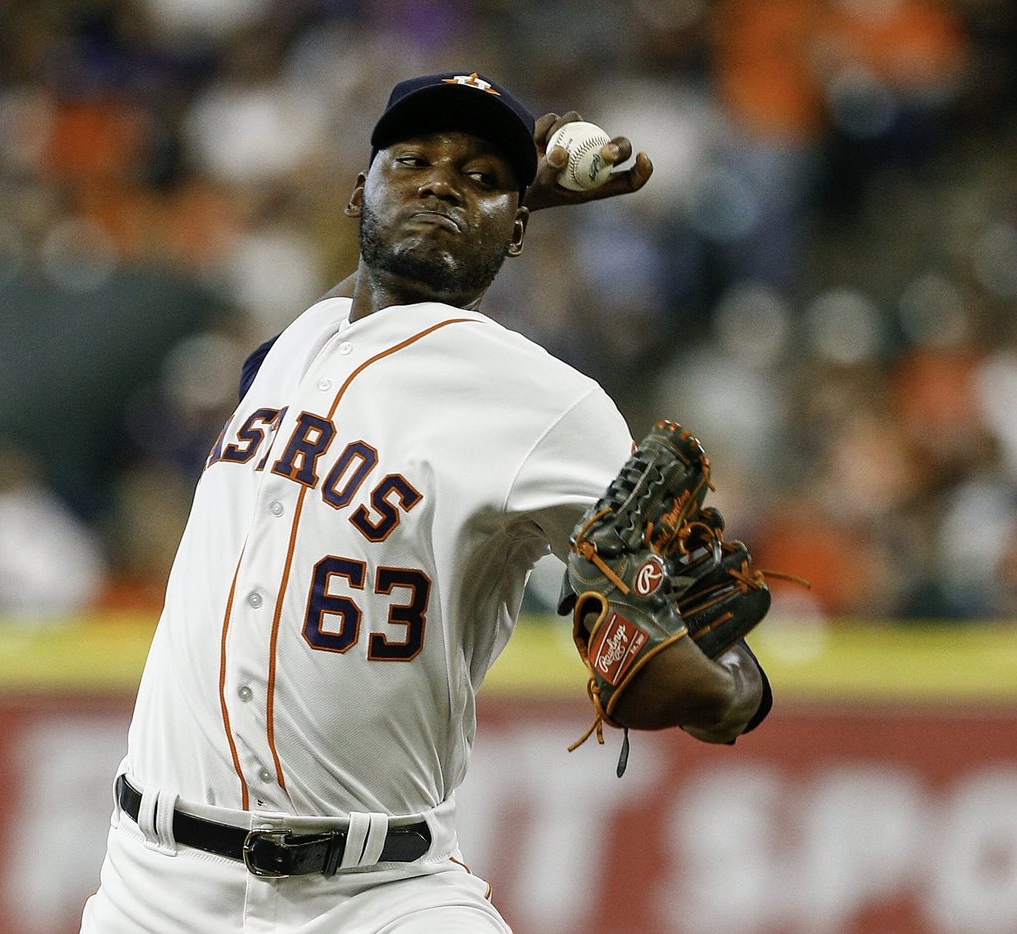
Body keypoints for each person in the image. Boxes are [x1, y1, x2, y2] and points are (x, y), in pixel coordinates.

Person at [81, 71, 766, 933]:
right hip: (156, 886)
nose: (441, 181)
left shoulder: (549, 404)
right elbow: (363, 314)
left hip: (378, 896)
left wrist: (727, 691)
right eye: (412, 162)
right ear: (355, 190)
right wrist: (520, 190)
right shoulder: (296, 347)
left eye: (481, 179)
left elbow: (713, 653)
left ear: (516, 231)